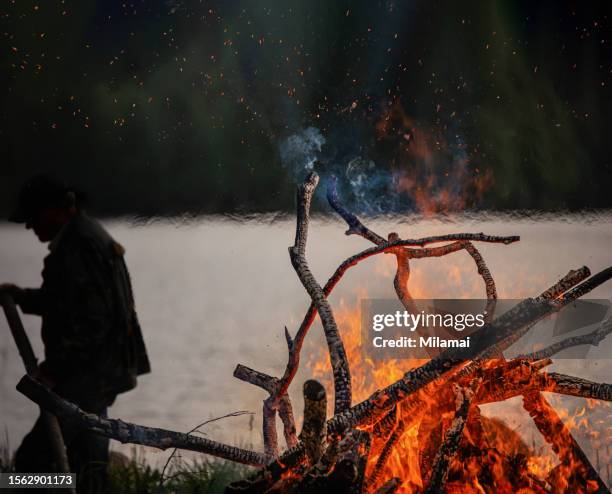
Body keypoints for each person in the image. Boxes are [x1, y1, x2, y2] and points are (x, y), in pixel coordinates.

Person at [1, 175, 150, 493]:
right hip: (97, 373)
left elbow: (93, 322)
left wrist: (54, 370)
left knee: (31, 463)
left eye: (34, 216)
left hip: (86, 377)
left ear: (59, 208)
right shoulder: (83, 237)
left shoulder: (78, 246)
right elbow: (68, 302)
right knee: (90, 466)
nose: (30, 226)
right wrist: (22, 297)